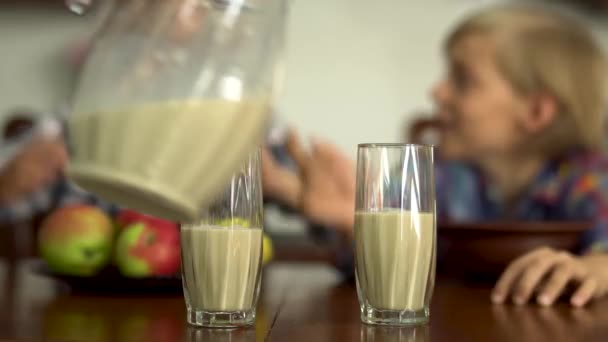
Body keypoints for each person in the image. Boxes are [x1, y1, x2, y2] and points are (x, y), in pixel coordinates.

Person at [262, 4, 608, 307]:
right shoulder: (444, 176)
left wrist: (596, 267)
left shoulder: (585, 179)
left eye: (462, 80)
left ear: (535, 112)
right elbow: (383, 264)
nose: (437, 92)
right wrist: (348, 221)